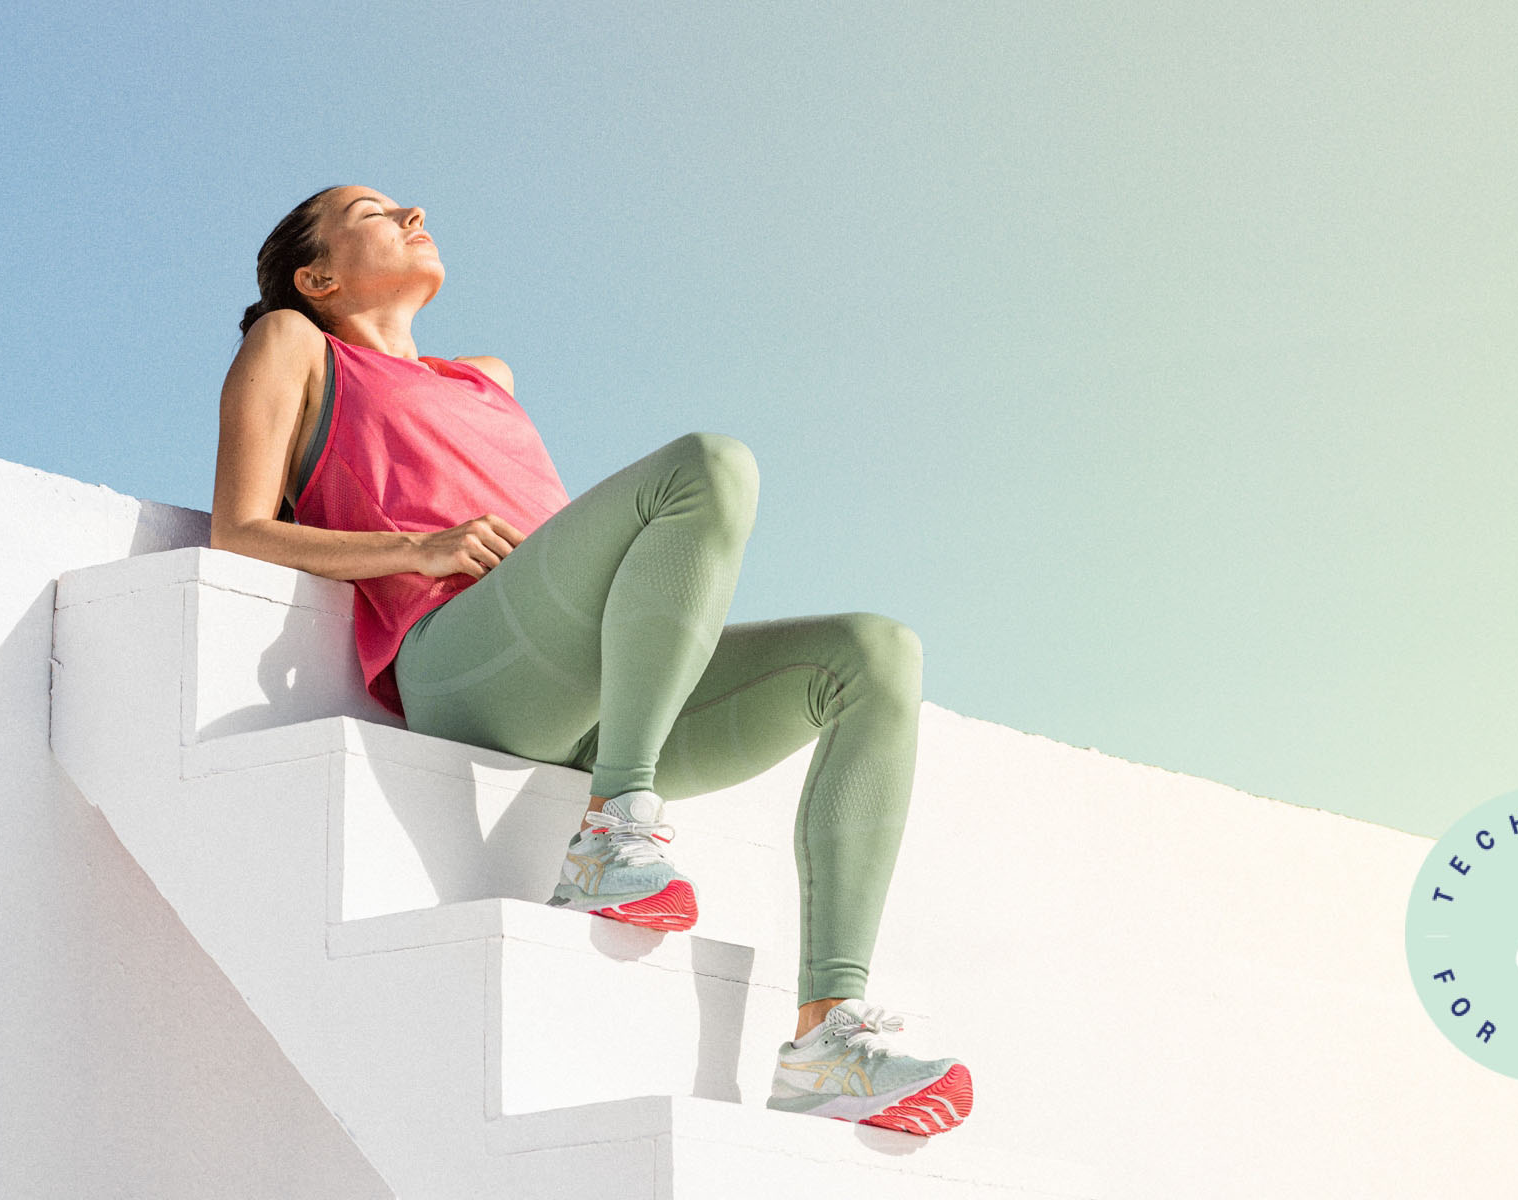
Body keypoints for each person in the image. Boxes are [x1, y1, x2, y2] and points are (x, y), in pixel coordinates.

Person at [206, 185, 976, 1137]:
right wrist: (416, 549)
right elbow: (238, 530)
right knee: (710, 462)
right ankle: (614, 829)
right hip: (462, 664)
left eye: (408, 205)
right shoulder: (296, 342)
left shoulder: (487, 378)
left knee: (874, 652)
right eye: (375, 211)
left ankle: (828, 1035)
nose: (413, 215)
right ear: (314, 274)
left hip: (593, 689)